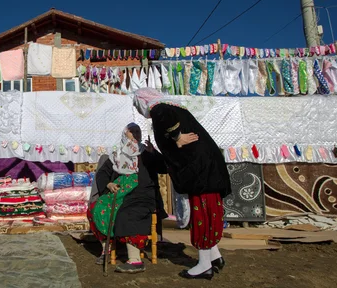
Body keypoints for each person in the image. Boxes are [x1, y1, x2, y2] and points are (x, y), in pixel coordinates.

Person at [133, 87, 232, 280]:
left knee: (202, 214)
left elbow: (163, 116)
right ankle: (214, 257)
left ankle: (204, 265)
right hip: (207, 170)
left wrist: (176, 136)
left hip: (200, 174)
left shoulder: (159, 108)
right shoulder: (176, 108)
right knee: (210, 212)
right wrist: (163, 147)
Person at [87, 122, 168, 274]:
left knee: (128, 214)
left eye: (137, 131)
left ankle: (135, 260)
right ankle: (107, 249)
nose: (135, 134)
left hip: (142, 196)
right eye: (132, 132)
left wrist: (154, 153)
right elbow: (103, 173)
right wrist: (109, 184)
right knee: (95, 208)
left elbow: (164, 168)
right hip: (119, 194)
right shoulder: (118, 156)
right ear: (125, 135)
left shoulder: (147, 153)